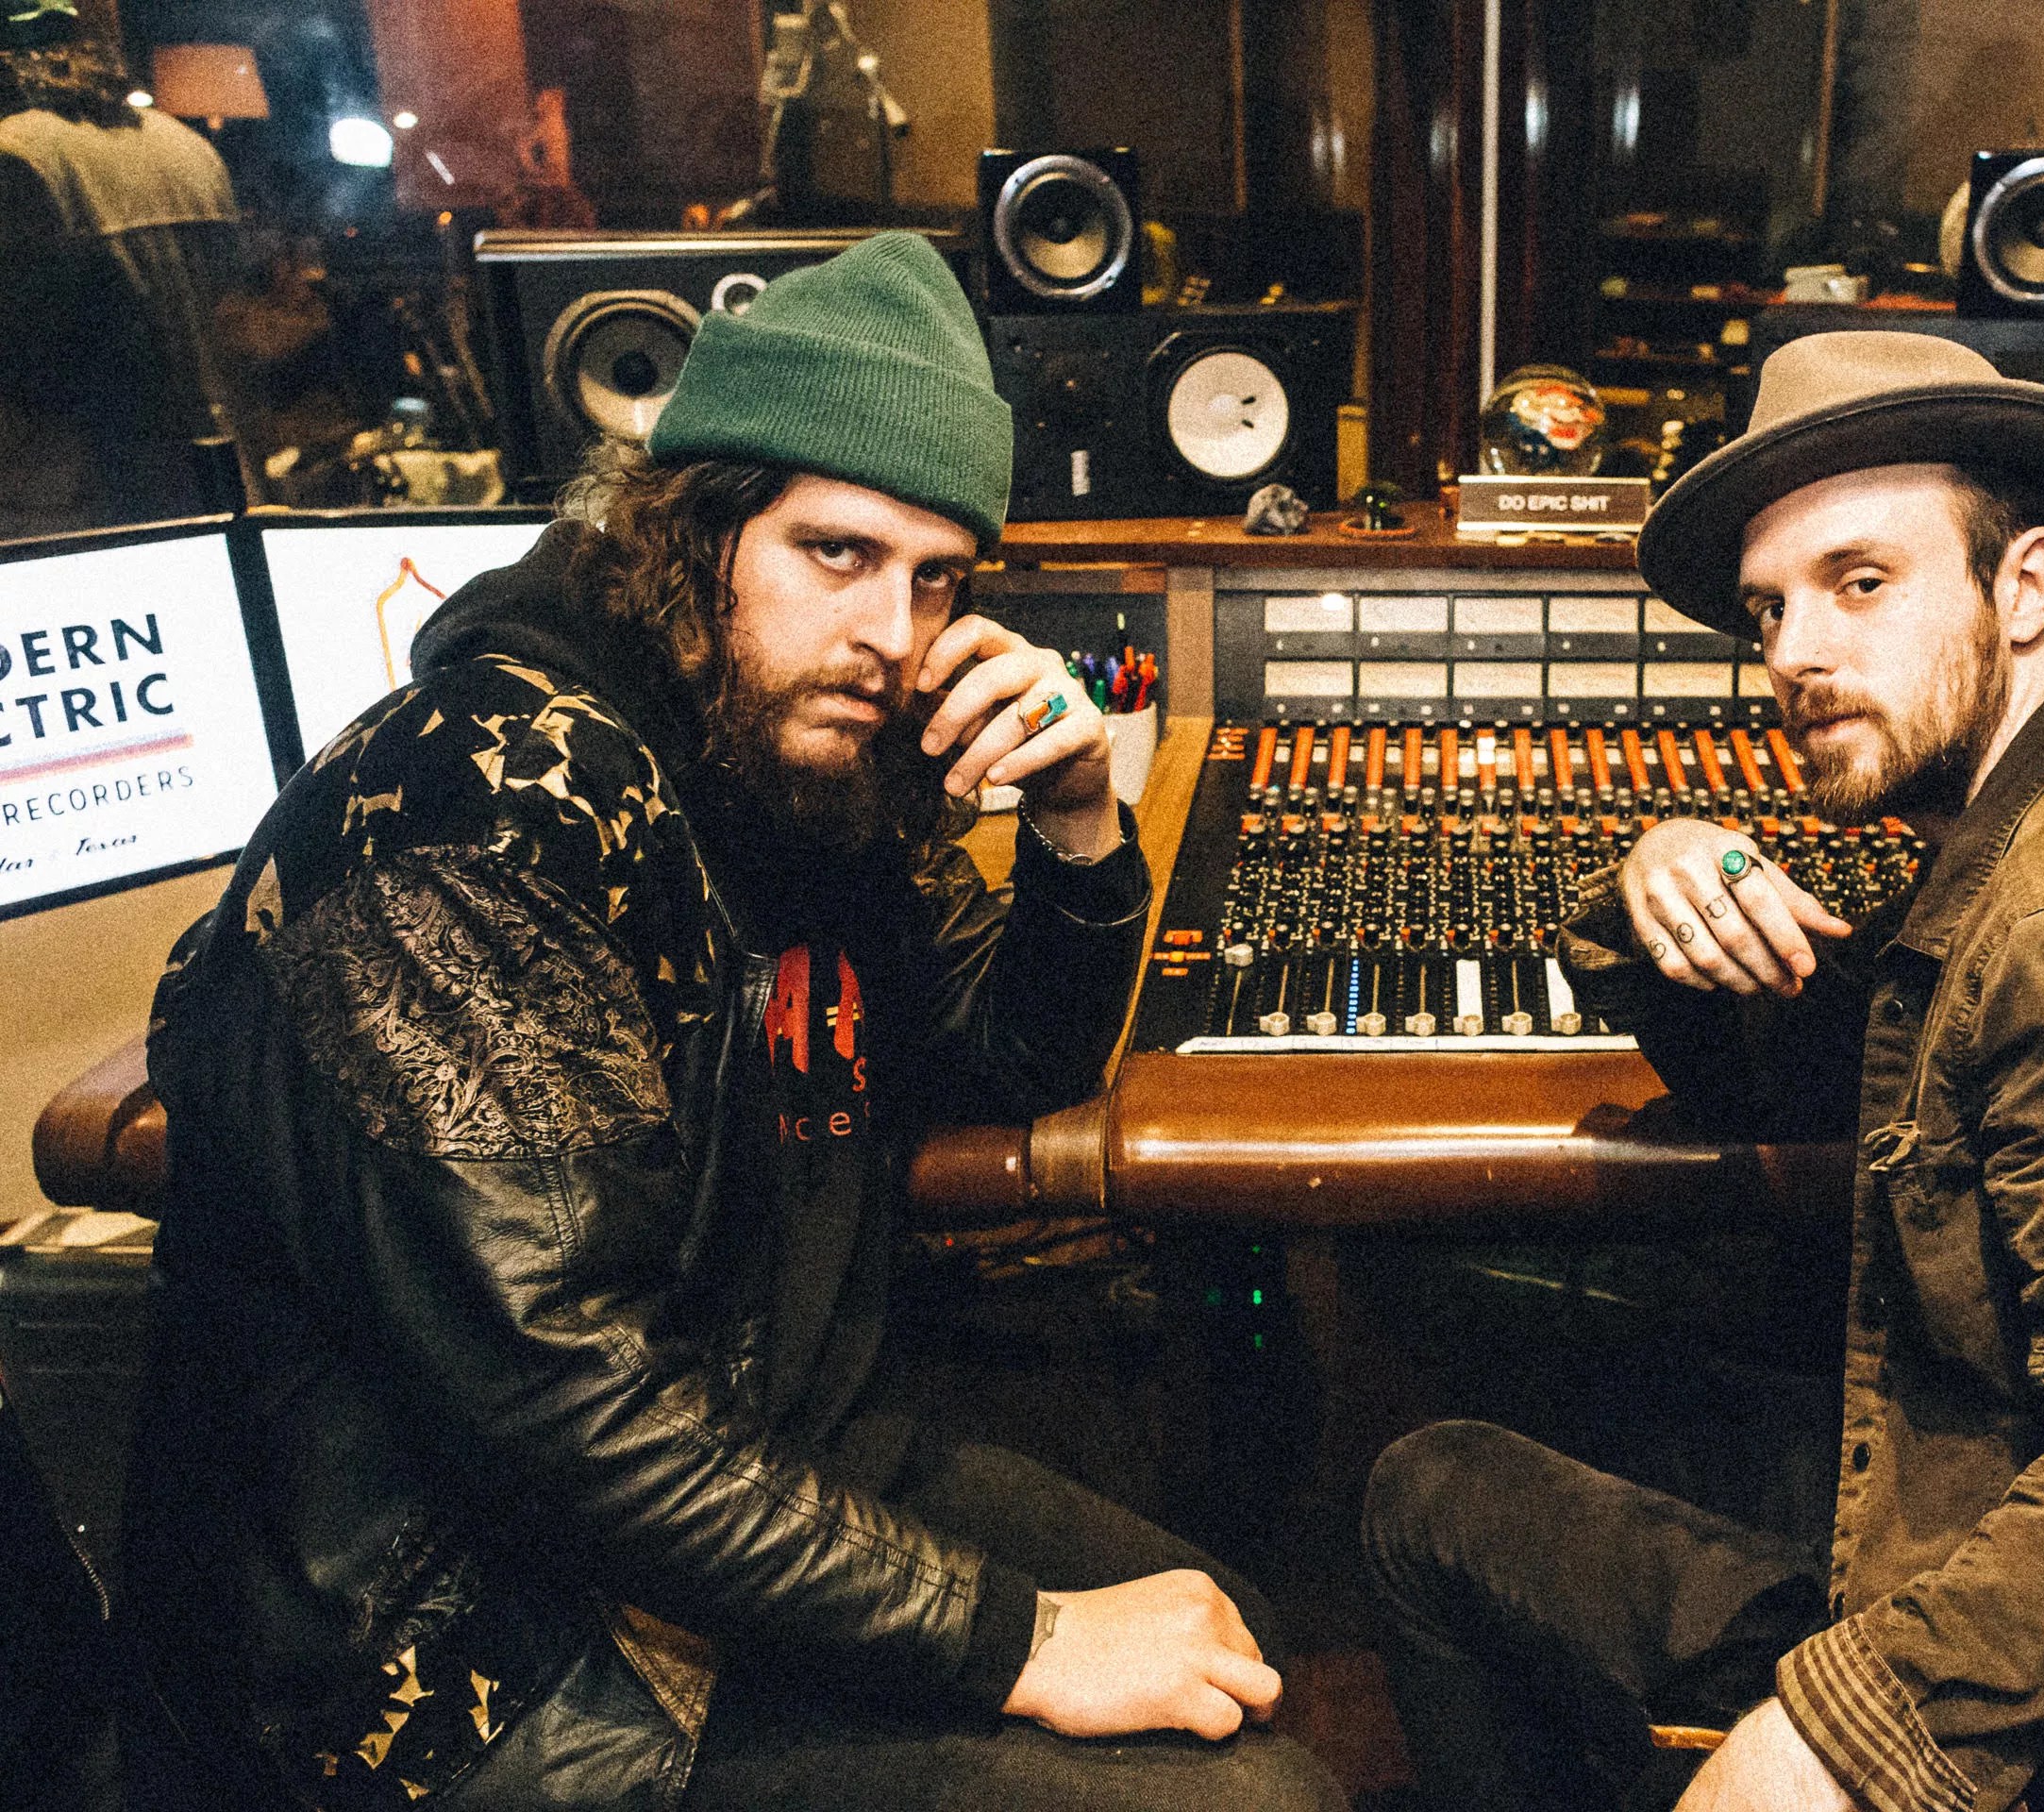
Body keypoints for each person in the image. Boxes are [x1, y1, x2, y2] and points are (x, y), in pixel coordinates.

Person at [127, 232, 1341, 1812]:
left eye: (936, 578)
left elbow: (1003, 1060)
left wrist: (1076, 820)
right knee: (1250, 1797)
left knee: (1235, 1651)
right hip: (475, 1648)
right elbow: (560, 1402)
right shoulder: (482, 802)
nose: (896, 632)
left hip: (758, 1460)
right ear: (693, 530)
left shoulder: (797, 764)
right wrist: (1022, 1641)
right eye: (838, 553)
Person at [1363, 331, 2044, 1812]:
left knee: (1428, 1496)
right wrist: (1656, 878)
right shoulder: (2036, 817)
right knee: (1551, 1382)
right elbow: (1811, 1076)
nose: (1792, 655)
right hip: (2000, 1496)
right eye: (1771, 607)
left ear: (2027, 584)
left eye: (1860, 581)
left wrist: (1837, 1737)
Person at [0, 0, 248, 537]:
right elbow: (236, 326)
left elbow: (33, 366)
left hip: (74, 508)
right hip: (220, 478)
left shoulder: (15, 156)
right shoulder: (189, 148)